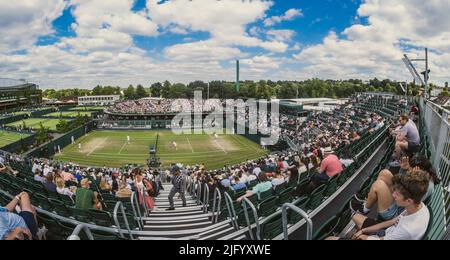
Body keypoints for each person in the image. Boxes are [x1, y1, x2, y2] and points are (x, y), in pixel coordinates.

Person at [328, 170, 430, 240]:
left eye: (397, 194)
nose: (393, 195)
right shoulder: (417, 206)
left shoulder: (407, 230)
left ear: (408, 201)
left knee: (329, 239)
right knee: (355, 216)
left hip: (382, 237)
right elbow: (392, 222)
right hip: (386, 232)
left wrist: (365, 237)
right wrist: (364, 230)